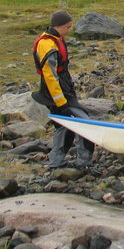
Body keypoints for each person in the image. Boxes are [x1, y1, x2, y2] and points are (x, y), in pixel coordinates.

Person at [31, 10, 94, 170]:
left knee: (63, 126)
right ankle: (83, 163)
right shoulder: (47, 44)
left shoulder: (55, 39)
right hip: (56, 94)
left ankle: (56, 162)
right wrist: (61, 102)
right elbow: (50, 76)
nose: (69, 30)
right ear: (59, 26)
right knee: (83, 123)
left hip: (64, 91)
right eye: (68, 27)